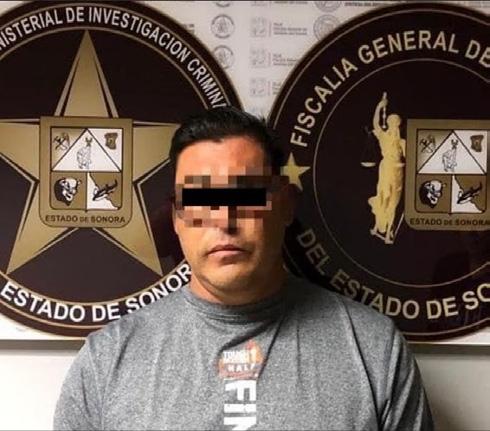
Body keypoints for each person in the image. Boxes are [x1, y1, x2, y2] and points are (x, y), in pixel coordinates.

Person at [54, 106, 433, 430]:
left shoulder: (373, 350)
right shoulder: (107, 361)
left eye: (246, 194)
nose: (225, 219)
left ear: (285, 204)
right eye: (202, 199)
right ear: (176, 218)